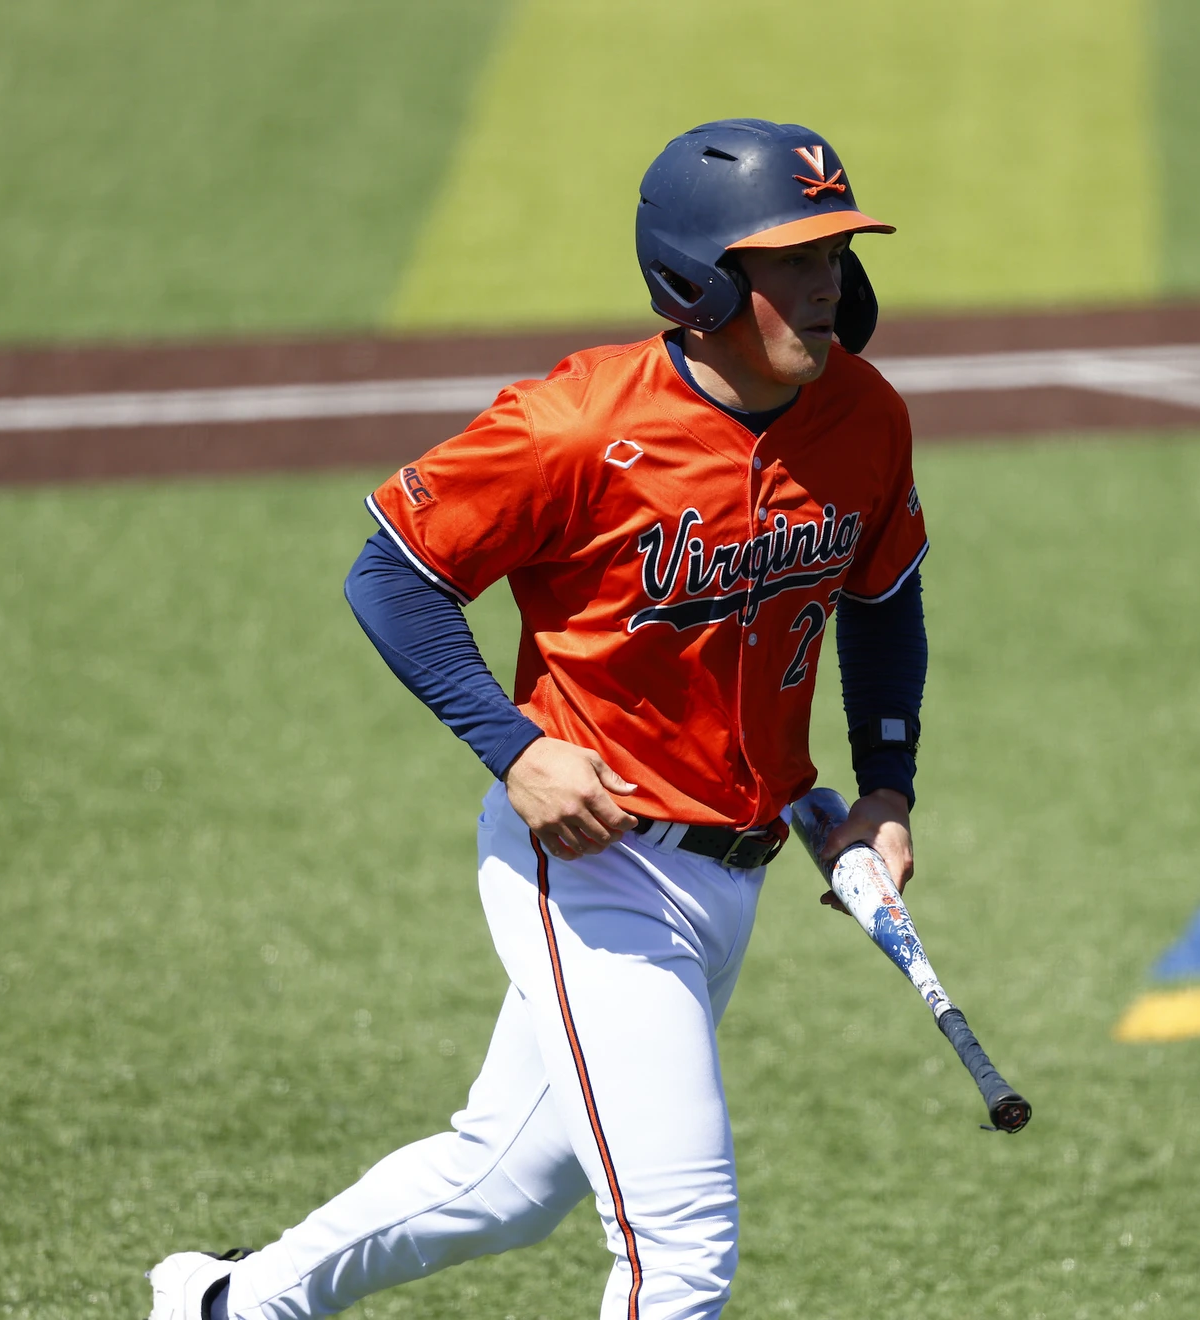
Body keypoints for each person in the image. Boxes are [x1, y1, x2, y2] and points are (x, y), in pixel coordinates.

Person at [145, 118, 929, 1320]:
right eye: (795, 260)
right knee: (681, 1248)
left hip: (737, 872)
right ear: (702, 280)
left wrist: (885, 788)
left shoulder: (865, 416)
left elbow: (882, 598)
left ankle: (225, 1305)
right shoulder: (574, 425)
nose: (830, 284)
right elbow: (393, 576)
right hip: (596, 864)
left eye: (837, 255)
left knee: (505, 1181)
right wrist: (515, 751)